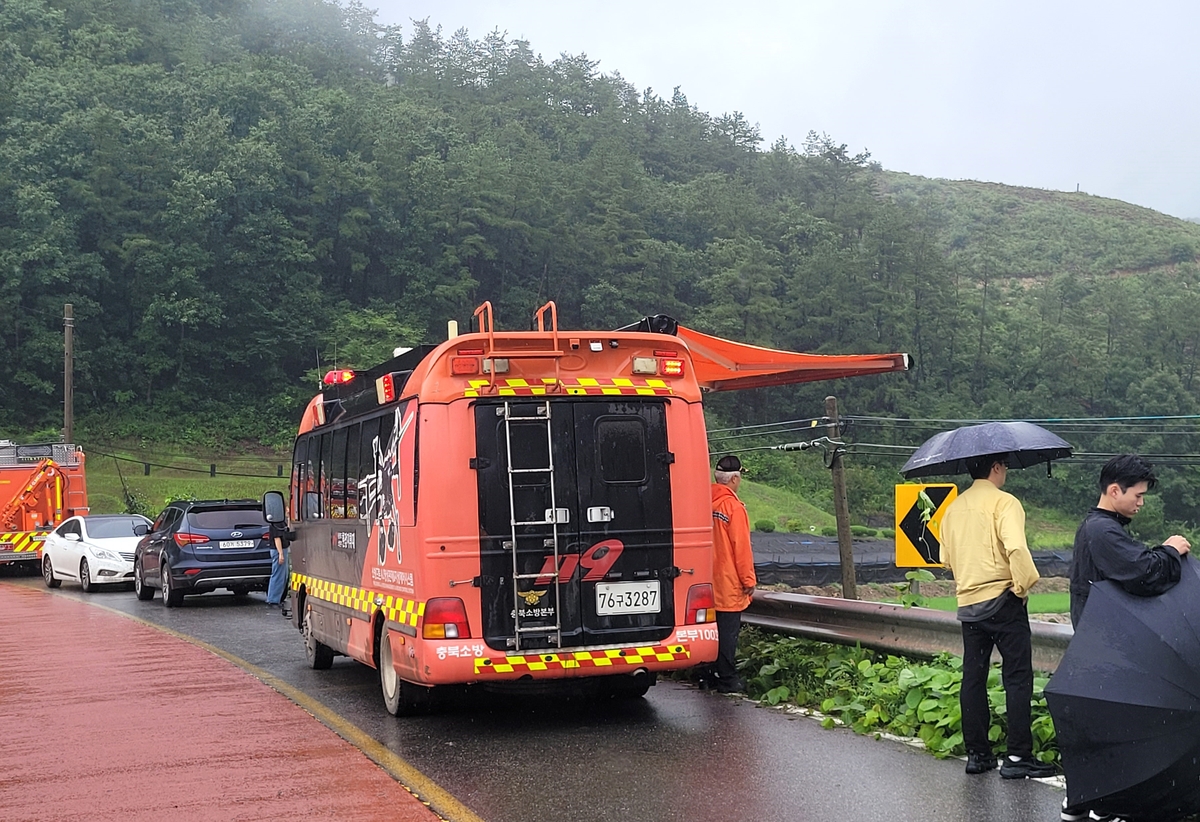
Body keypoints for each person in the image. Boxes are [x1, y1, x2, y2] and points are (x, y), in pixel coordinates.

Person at [1060, 454, 1190, 822]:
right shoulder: (1102, 531)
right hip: (1103, 642)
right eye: (1137, 494)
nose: (1141, 502)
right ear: (1114, 490)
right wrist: (1168, 551)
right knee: (1111, 727)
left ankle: (1080, 801)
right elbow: (1143, 573)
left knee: (1097, 724)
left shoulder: (1102, 526)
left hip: (1095, 637)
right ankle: (1104, 805)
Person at [938, 452, 1055, 779]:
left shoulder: (952, 509)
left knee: (973, 677)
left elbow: (944, 558)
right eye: (1003, 466)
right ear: (997, 467)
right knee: (1017, 678)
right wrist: (1023, 585)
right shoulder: (1006, 503)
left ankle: (978, 755)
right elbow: (1016, 547)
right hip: (1003, 600)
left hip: (969, 605)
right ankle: (1018, 758)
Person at [709, 454, 756, 694]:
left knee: (708, 630)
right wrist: (749, 581)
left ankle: (707, 674)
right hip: (727, 582)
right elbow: (741, 548)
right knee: (727, 633)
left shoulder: (703, 501)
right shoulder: (733, 507)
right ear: (735, 478)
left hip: (703, 580)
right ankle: (727, 678)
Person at [266, 517, 293, 618]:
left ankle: (278, 598)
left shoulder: (281, 521)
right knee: (278, 575)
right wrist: (280, 553)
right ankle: (273, 600)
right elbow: (277, 538)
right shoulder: (276, 523)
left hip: (283, 549)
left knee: (284, 575)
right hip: (279, 550)